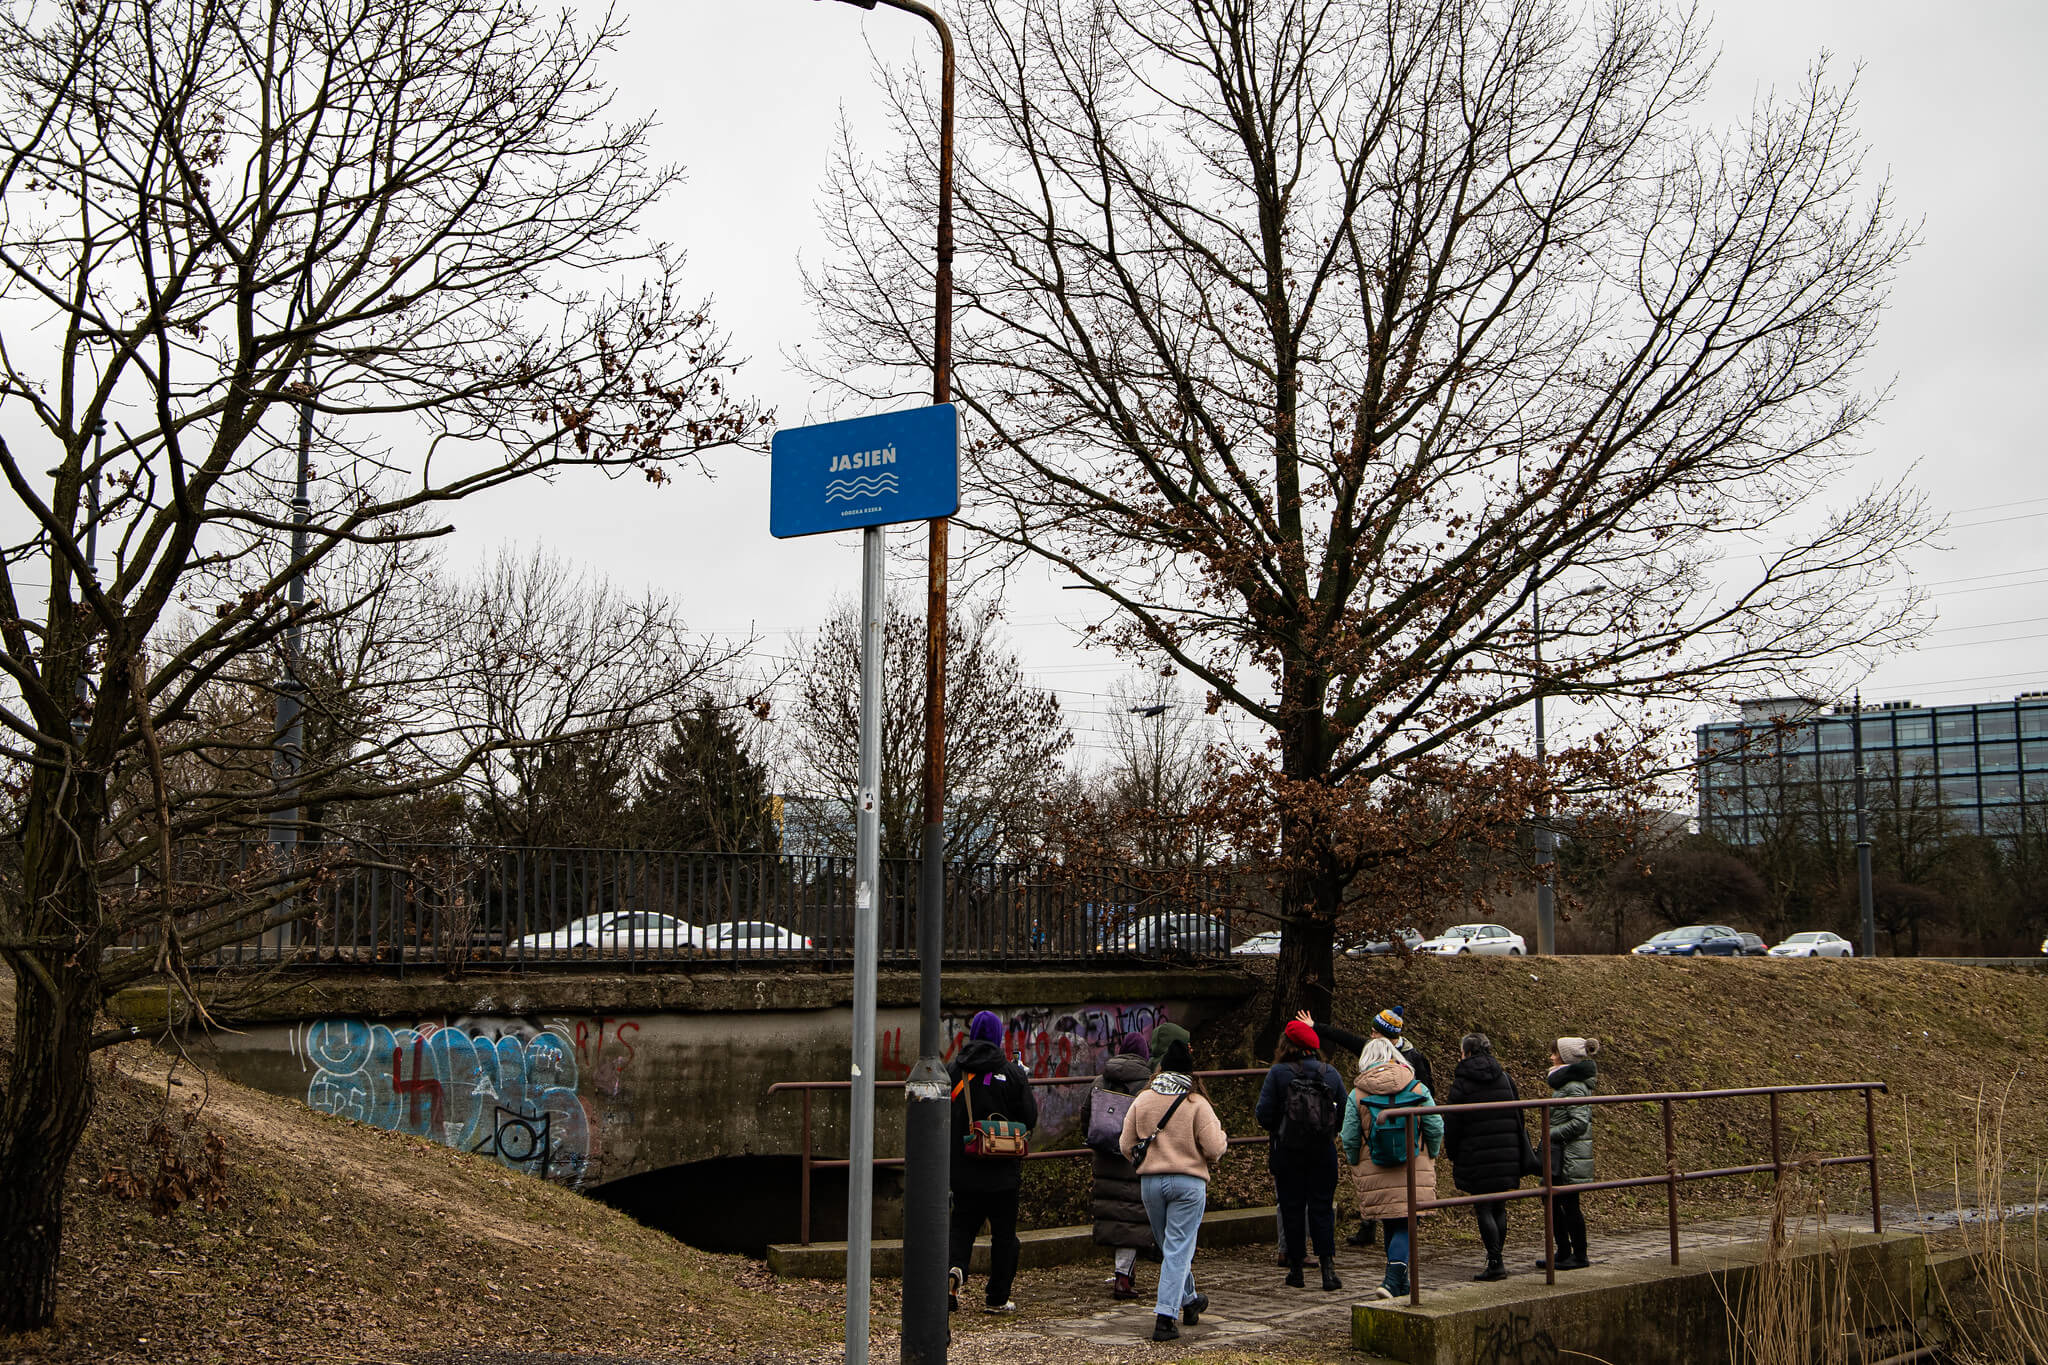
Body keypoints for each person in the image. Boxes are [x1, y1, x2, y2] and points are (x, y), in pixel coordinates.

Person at [1119, 1037, 1229, 1343]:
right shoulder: (1196, 1103)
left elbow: (1125, 1145)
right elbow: (1215, 1147)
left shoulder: (1143, 1100)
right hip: (1189, 1183)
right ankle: (1165, 1318)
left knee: (1170, 1247)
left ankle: (1190, 1300)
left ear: (1162, 1068)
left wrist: (1149, 1159)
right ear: (1190, 1074)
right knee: (1179, 1249)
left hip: (1151, 1183)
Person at [947, 1010, 1040, 1314]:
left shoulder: (953, 1070)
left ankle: (954, 1272)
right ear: (999, 1036)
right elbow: (1030, 1119)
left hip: (964, 1167)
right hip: (1003, 1172)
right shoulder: (1012, 1073)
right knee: (1004, 1236)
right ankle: (997, 1298)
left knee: (961, 1227)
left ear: (972, 1034)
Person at [1340, 1035, 1443, 1300]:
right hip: (1413, 1164)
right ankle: (1393, 1279)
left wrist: (1355, 1160)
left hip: (1376, 1166)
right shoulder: (1417, 1088)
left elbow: (1349, 1135)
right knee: (1406, 1223)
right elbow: (1435, 1126)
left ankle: (1400, 1283)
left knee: (1391, 1221)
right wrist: (1431, 1153)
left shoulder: (1357, 1094)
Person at [1256, 1019, 1346, 1291]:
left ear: (1287, 1045)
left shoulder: (1278, 1073)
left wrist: (1282, 1129)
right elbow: (1342, 1112)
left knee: (1292, 1207)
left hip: (1288, 1152)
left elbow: (1263, 1114)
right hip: (1323, 1152)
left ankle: (1296, 1270)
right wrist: (1327, 1133)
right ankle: (1328, 1270)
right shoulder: (1330, 1074)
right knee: (1322, 1208)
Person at [1440, 1033, 1528, 1282]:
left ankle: (1495, 1261)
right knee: (1499, 1206)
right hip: (1506, 1151)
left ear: (1466, 1052)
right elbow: (1518, 1116)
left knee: (1483, 1207)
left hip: (1477, 1154)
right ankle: (1497, 1259)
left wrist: (1453, 1152)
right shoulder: (1504, 1077)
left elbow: (1453, 1122)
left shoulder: (1463, 1081)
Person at [1090, 1032, 1156, 1300]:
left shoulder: (1100, 1080)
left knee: (1117, 1214)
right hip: (1134, 1156)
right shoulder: (1147, 1086)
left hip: (1105, 1155)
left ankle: (1124, 1273)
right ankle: (1123, 1279)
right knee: (1130, 1216)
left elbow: (1087, 1116)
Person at [1538, 1036, 1600, 1272]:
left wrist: (1550, 1132)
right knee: (1554, 1200)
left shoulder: (1573, 1086)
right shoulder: (1568, 1084)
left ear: (1564, 1058)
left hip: (1569, 1155)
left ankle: (1579, 1254)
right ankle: (1564, 1251)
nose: (1551, 1057)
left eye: (1555, 1053)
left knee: (1569, 1204)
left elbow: (1580, 1122)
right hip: (1563, 1153)